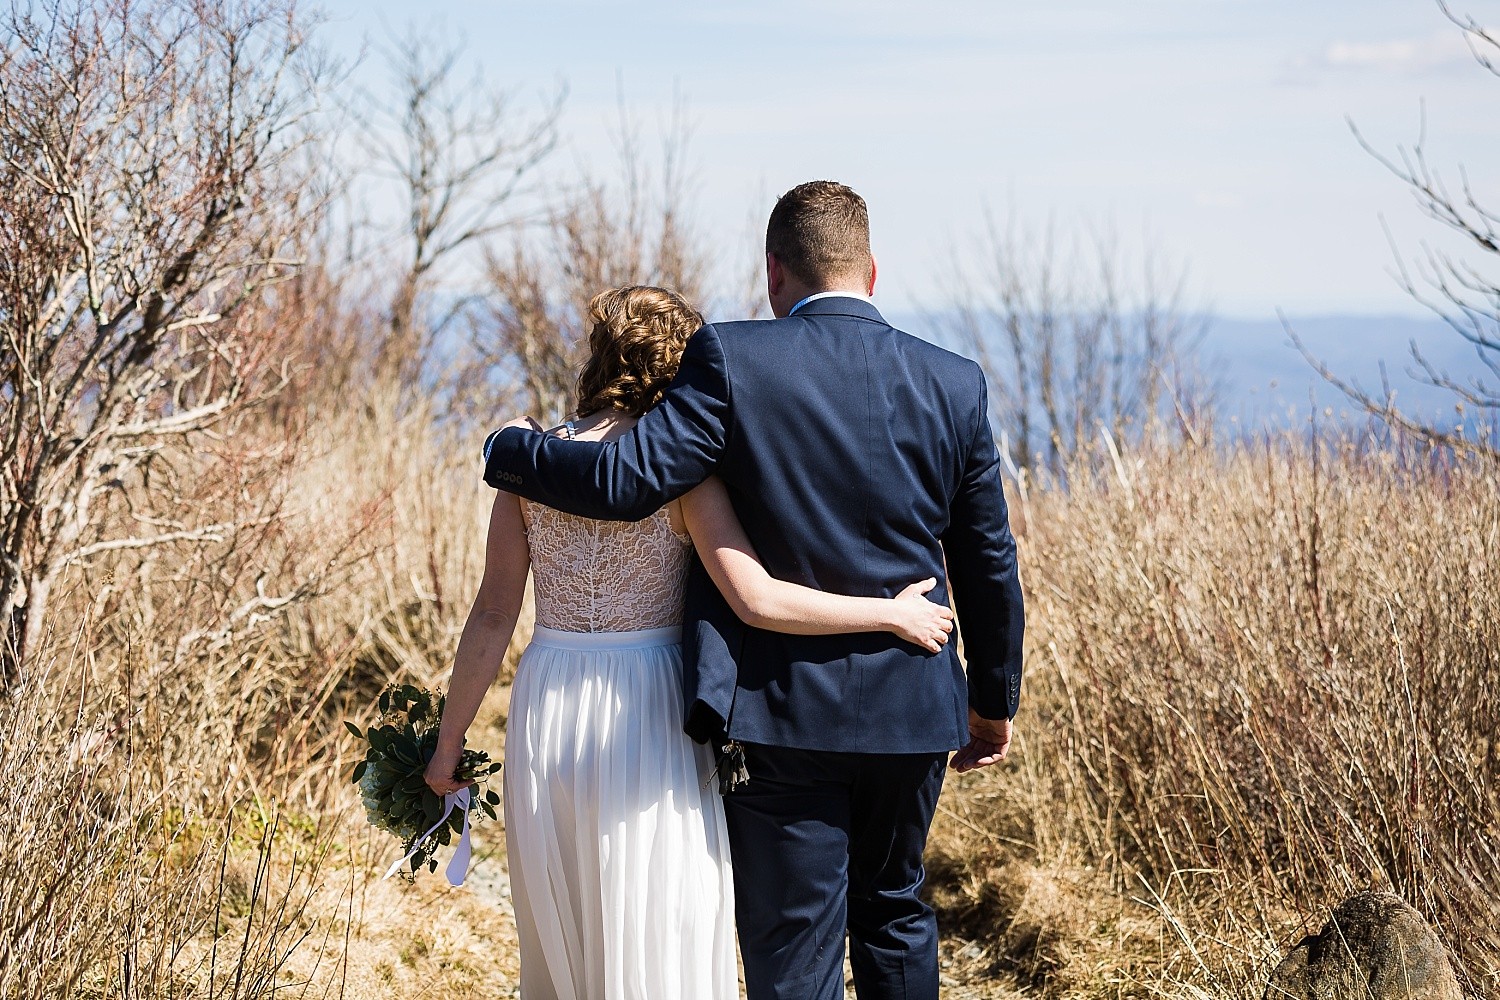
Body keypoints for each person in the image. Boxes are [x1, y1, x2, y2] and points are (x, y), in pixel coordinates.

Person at [481, 180, 1025, 1000]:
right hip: (913, 698)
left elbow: (630, 479)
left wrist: (510, 451)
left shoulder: (732, 358)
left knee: (792, 938)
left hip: (782, 709)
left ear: (774, 273)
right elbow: (988, 560)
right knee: (897, 909)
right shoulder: (955, 382)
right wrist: (993, 702)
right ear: (872, 271)